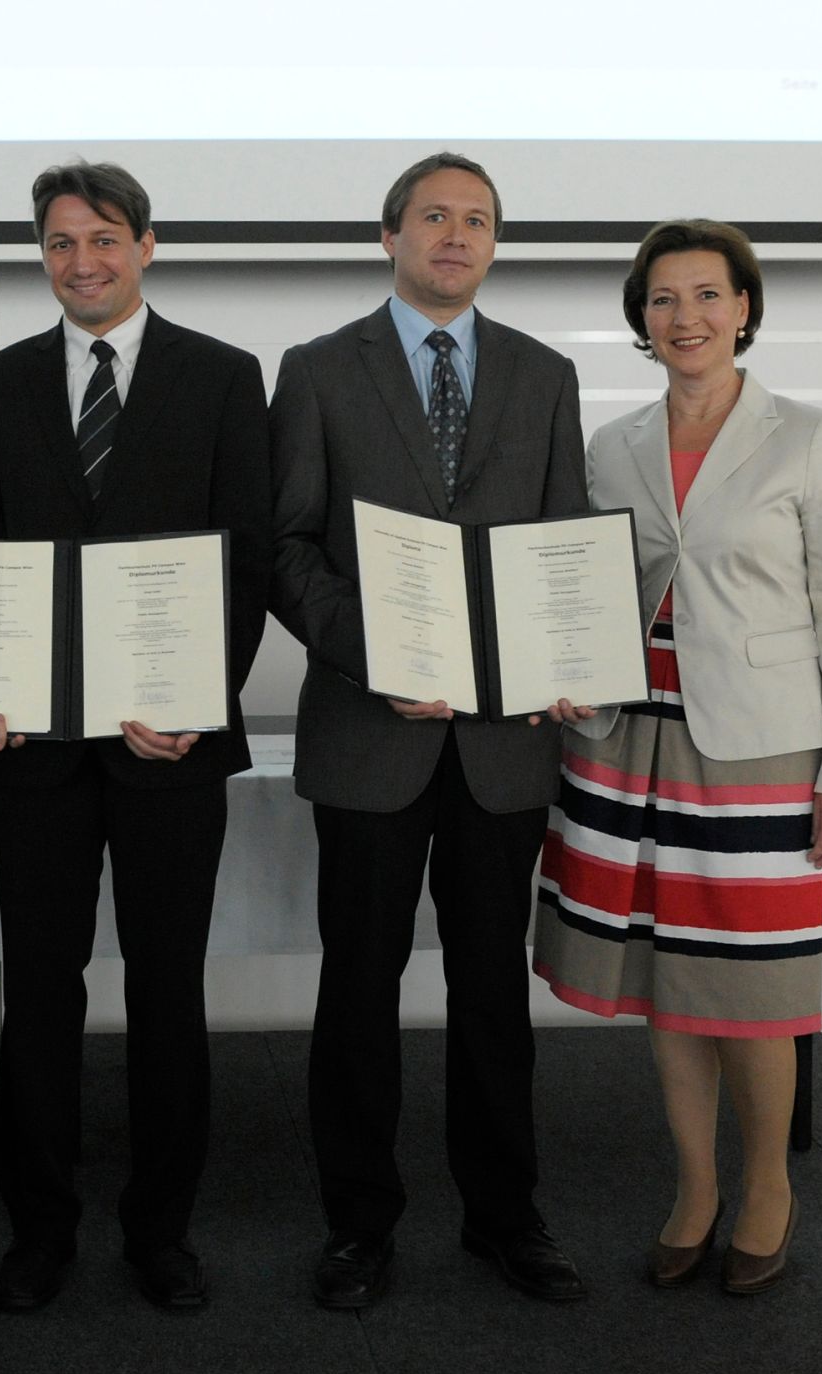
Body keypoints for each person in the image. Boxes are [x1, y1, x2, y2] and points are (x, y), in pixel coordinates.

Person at [270, 151, 588, 1308]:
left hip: (501, 745)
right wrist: (373, 649)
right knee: (357, 986)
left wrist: (560, 654)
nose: (456, 235)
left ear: (494, 243)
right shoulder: (316, 369)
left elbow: (559, 543)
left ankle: (505, 1216)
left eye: (477, 220)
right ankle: (357, 1224)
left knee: (491, 991)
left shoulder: (543, 374)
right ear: (389, 234)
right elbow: (283, 546)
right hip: (371, 734)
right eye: (434, 216)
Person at [0, 162, 272, 1312]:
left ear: (144, 244)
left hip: (169, 746)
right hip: (32, 749)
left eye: (101, 239)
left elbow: (246, 558)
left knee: (166, 989)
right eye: (58, 242)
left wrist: (199, 696)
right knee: (37, 992)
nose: (80, 261)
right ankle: (39, 1229)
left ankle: (159, 1229)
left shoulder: (223, 376)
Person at [534, 219, 822, 1294]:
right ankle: (694, 1187)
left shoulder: (807, 436)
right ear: (641, 318)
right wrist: (560, 666)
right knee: (667, 979)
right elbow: (585, 589)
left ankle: (766, 1186)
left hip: (759, 749)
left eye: (706, 294)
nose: (685, 316)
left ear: (743, 307)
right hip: (627, 739)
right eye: (663, 298)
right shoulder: (613, 443)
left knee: (753, 989)